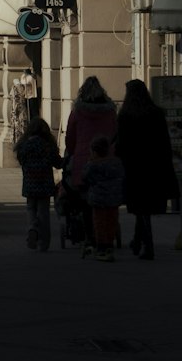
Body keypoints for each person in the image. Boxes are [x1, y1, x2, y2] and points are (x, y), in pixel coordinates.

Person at [116, 78, 178, 261]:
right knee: (144, 207)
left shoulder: (126, 115)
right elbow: (164, 142)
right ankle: (138, 240)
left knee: (139, 207)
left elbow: (121, 145)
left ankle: (147, 244)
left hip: (134, 167)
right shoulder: (156, 113)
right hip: (153, 167)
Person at [64, 76, 117, 248]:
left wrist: (71, 152)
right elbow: (116, 133)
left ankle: (90, 236)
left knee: (85, 201)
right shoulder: (110, 111)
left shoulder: (78, 112)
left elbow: (70, 137)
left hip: (83, 160)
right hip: (106, 158)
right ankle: (107, 234)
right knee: (107, 198)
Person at [14, 116, 63, 252]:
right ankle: (43, 243)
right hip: (45, 184)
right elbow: (58, 164)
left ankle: (32, 228)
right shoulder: (48, 146)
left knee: (30, 208)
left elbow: (21, 160)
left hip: (30, 183)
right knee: (43, 213)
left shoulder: (24, 146)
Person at [80, 134, 125, 262]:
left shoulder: (93, 165)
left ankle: (101, 247)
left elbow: (84, 177)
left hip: (99, 200)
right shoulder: (116, 163)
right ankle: (110, 245)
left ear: (94, 151)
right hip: (114, 200)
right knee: (112, 222)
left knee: (100, 224)